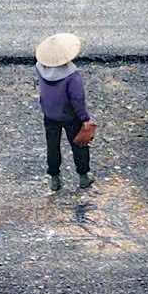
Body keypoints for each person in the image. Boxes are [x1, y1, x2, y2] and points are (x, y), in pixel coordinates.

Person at [36, 33, 94, 193]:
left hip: (49, 114)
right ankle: (83, 176)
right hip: (70, 116)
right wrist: (85, 119)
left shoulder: (40, 68)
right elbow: (77, 100)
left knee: (52, 146)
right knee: (79, 145)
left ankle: (54, 179)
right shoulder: (72, 76)